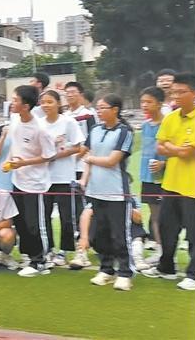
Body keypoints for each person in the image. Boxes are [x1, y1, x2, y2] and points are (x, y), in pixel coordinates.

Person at [142, 73, 195, 291]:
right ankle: (166, 267)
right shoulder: (171, 118)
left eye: (180, 92)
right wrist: (177, 148)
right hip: (171, 184)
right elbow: (160, 147)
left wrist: (172, 148)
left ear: (194, 94)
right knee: (167, 227)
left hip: (193, 187)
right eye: (173, 92)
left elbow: (186, 152)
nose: (175, 96)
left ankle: (194, 274)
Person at [79, 94, 135, 291]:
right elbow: (85, 153)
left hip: (116, 192)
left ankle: (125, 272)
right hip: (95, 191)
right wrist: (84, 178)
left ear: (115, 110)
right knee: (99, 234)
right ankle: (106, 269)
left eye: (103, 107)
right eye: (98, 108)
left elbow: (112, 160)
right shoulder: (94, 129)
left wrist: (91, 159)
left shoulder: (124, 132)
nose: (99, 111)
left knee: (119, 234)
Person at [5, 85, 56, 277]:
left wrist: (24, 162)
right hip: (17, 180)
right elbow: (15, 146)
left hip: (36, 184)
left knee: (35, 224)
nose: (12, 103)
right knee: (21, 222)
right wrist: (10, 163)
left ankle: (40, 261)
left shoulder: (41, 128)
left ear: (26, 105)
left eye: (15, 100)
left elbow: (49, 155)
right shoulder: (14, 120)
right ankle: (29, 256)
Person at [38, 90, 85, 266]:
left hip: (64, 177)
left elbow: (78, 147)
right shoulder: (39, 124)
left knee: (67, 216)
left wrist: (58, 153)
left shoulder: (68, 122)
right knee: (45, 215)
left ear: (58, 103)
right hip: (43, 177)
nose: (46, 105)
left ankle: (64, 251)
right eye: (43, 102)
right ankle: (48, 249)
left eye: (50, 102)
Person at [137, 87, 167, 266]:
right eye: (142, 102)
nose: (144, 105)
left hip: (167, 178)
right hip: (148, 177)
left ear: (160, 103)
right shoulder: (146, 126)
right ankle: (159, 250)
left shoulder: (169, 122)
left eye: (148, 102)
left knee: (168, 217)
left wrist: (164, 164)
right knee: (155, 215)